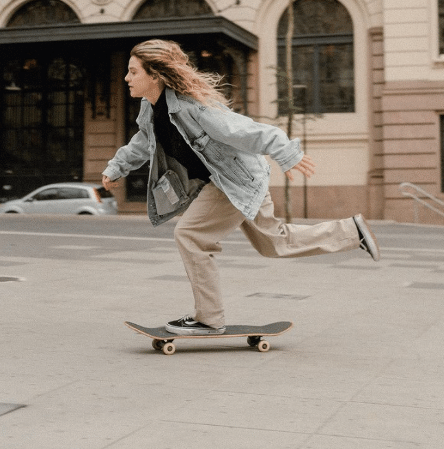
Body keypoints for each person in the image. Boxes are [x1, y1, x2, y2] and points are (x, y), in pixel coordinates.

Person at [102, 39, 380, 336]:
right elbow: (143, 142)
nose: (126, 78)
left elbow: (242, 130)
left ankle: (208, 318)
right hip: (235, 181)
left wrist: (285, 152)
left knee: (190, 235)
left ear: (154, 75)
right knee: (274, 244)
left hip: (233, 182)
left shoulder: (192, 108)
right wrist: (117, 167)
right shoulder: (151, 108)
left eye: (133, 72)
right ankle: (352, 231)